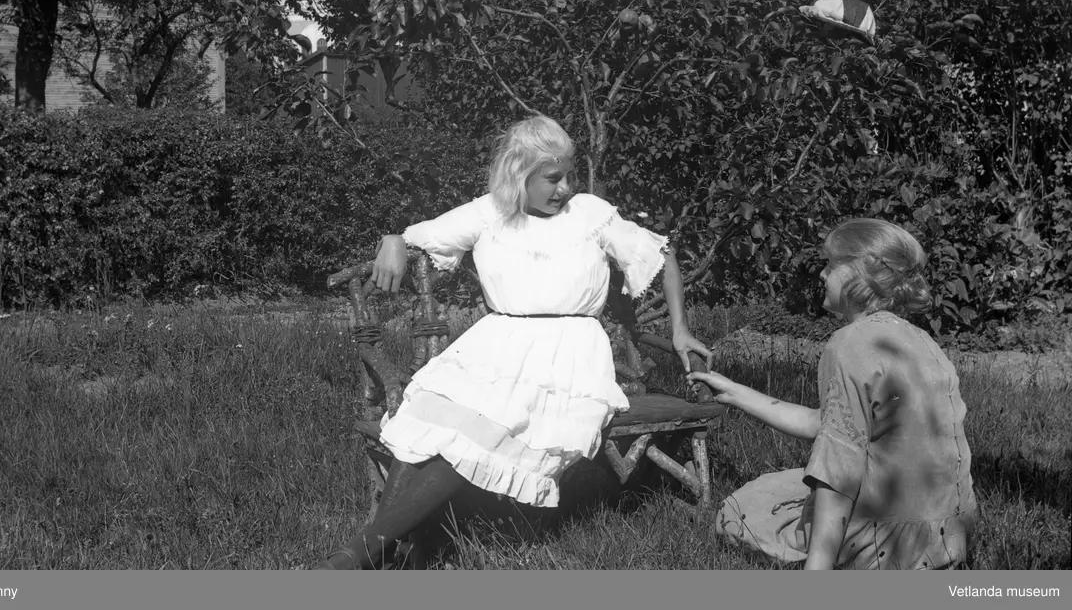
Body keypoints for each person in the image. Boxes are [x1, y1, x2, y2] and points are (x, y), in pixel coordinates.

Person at [315, 114, 713, 569]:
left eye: (568, 175)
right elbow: (419, 237)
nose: (564, 188)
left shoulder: (589, 214)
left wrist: (680, 329)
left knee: (482, 427)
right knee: (430, 416)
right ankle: (385, 552)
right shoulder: (490, 213)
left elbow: (661, 254)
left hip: (567, 353)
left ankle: (355, 559)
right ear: (519, 174)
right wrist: (393, 238)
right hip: (497, 345)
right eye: (552, 178)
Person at [689, 218, 978, 570]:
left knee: (742, 510)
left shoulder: (849, 344)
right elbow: (822, 423)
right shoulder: (921, 341)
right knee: (785, 483)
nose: (822, 273)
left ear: (861, 272)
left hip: (885, 548)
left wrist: (818, 570)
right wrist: (732, 391)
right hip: (947, 537)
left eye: (830, 264)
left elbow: (838, 474)